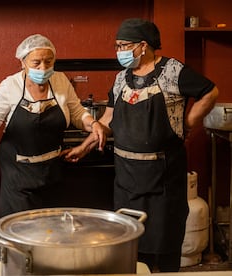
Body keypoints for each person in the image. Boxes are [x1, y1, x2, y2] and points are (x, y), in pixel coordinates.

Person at [72, 18, 218, 272]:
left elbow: (210, 92)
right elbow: (108, 119)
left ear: (142, 45)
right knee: (130, 243)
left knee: (164, 241)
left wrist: (190, 121)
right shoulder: (121, 79)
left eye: (123, 45)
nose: (119, 52)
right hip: (127, 177)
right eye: (117, 46)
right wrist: (85, 147)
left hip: (162, 177)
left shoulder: (172, 71)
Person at [0, 34, 104, 217]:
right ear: (23, 62)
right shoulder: (10, 86)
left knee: (51, 230)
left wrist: (93, 123)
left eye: (49, 62)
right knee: (19, 231)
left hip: (52, 171)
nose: (43, 68)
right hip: (18, 176)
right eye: (36, 63)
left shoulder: (60, 81)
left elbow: (76, 113)